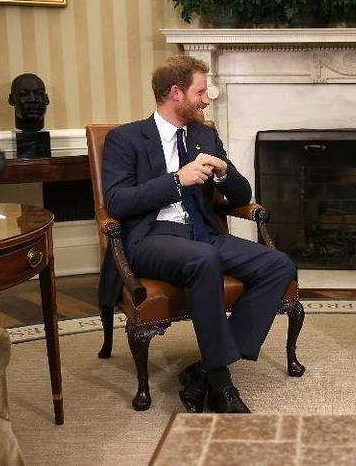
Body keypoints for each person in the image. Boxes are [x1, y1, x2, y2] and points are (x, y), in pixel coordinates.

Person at [100, 55, 296, 413]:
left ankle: (203, 369)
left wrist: (223, 172)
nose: (207, 99)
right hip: (150, 237)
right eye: (201, 91)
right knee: (202, 258)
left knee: (278, 265)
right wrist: (177, 181)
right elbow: (117, 200)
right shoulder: (125, 138)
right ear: (176, 93)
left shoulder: (205, 135)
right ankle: (221, 381)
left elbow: (240, 196)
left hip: (203, 233)